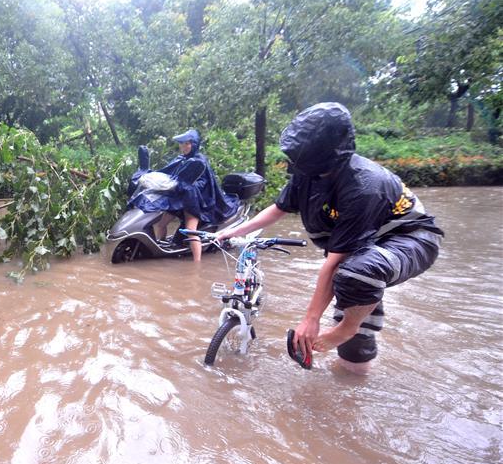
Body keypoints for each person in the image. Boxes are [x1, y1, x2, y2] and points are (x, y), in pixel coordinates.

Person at [216, 103, 443, 374]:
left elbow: (336, 263)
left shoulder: (363, 186)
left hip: (410, 240)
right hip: (365, 249)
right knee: (352, 297)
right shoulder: (308, 174)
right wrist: (233, 231)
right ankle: (352, 374)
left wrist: (311, 319)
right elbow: (279, 208)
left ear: (325, 154)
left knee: (353, 276)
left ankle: (345, 330)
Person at [128, 129, 240, 261]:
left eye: (186, 143)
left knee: (191, 231)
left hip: (194, 201)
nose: (183, 147)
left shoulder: (199, 161)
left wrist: (185, 187)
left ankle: (196, 265)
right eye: (181, 144)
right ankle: (161, 250)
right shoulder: (181, 159)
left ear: (193, 144)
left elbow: (204, 185)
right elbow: (167, 174)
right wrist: (148, 175)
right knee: (161, 224)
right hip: (178, 197)